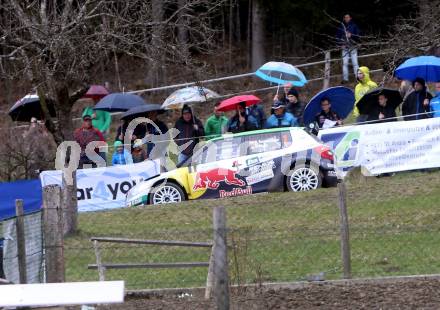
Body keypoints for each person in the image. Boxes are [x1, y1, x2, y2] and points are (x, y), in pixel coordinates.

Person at [336, 13, 360, 84]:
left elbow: (358, 35)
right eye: (345, 17)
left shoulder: (354, 26)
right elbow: (337, 37)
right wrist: (340, 44)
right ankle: (345, 79)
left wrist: (351, 35)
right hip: (344, 48)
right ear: (344, 18)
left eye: (348, 17)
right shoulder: (341, 26)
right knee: (345, 63)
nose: (346, 19)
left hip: (353, 47)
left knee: (355, 63)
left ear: (350, 18)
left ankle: (358, 78)